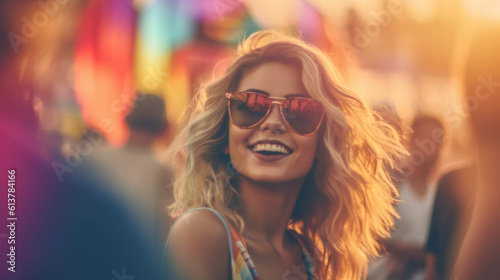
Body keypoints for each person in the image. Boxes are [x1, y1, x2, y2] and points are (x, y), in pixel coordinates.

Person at [163, 30, 406, 280]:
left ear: (323, 144)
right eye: (251, 105)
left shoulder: (311, 256)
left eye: (300, 110)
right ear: (226, 136)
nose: (273, 123)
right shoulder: (203, 233)